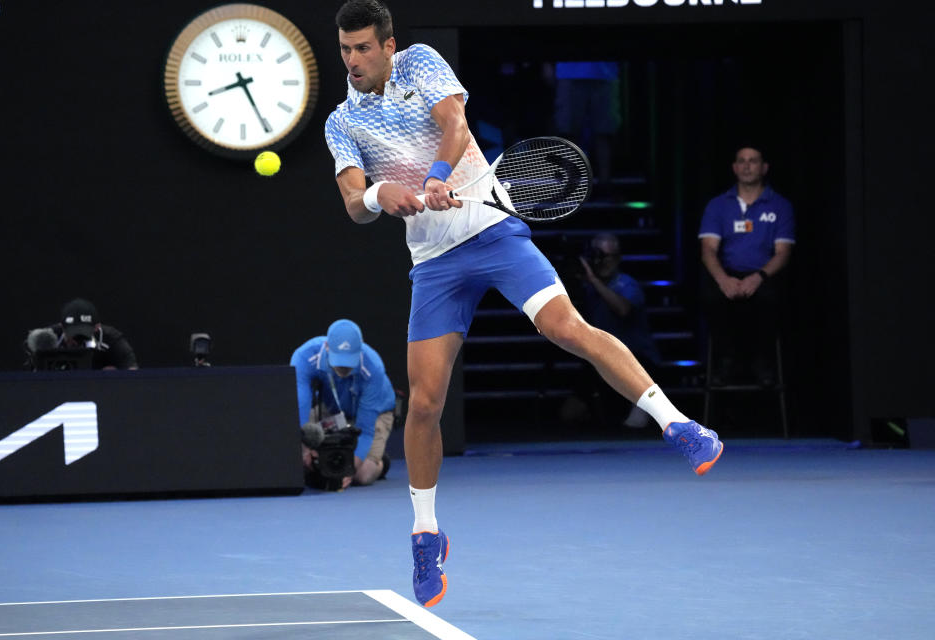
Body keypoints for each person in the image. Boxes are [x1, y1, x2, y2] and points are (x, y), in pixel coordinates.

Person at [325, 0, 723, 608]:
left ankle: (679, 424)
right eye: (345, 49)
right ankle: (426, 533)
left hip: (491, 232)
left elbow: (455, 127)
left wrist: (434, 176)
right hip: (434, 263)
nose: (353, 60)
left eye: (363, 48)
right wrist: (384, 192)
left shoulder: (421, 65)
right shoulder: (343, 121)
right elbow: (353, 202)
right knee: (425, 402)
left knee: (567, 328)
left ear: (388, 45)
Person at [698, 146, 795, 385]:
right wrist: (723, 280)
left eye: (753, 161)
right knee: (711, 297)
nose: (747, 165)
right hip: (727, 272)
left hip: (763, 274)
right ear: (734, 168)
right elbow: (708, 250)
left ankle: (762, 363)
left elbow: (783, 253)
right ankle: (725, 363)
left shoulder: (780, 206)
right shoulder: (718, 205)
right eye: (742, 161)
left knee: (770, 299)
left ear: (764, 167)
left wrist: (758, 277)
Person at [290, 319, 396, 491]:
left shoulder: (373, 366)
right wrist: (304, 449)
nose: (344, 367)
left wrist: (349, 470)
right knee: (303, 460)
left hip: (377, 412)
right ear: (326, 347)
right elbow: (299, 413)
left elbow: (366, 429)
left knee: (362, 475)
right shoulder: (304, 356)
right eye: (339, 360)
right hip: (332, 409)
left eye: (349, 360)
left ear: (360, 350)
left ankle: (382, 462)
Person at [577, 232, 660, 428]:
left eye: (610, 257)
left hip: (636, 360)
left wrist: (594, 282)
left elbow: (623, 309)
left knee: (633, 424)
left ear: (618, 258)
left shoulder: (627, 284)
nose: (605, 262)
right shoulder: (584, 286)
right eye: (600, 256)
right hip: (600, 360)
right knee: (570, 413)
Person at [24, 298, 138, 370]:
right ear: (62, 327)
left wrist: (116, 377)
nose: (77, 339)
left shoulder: (111, 339)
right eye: (72, 333)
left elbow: (133, 374)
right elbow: (31, 377)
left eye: (83, 333)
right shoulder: (47, 340)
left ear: (97, 327)